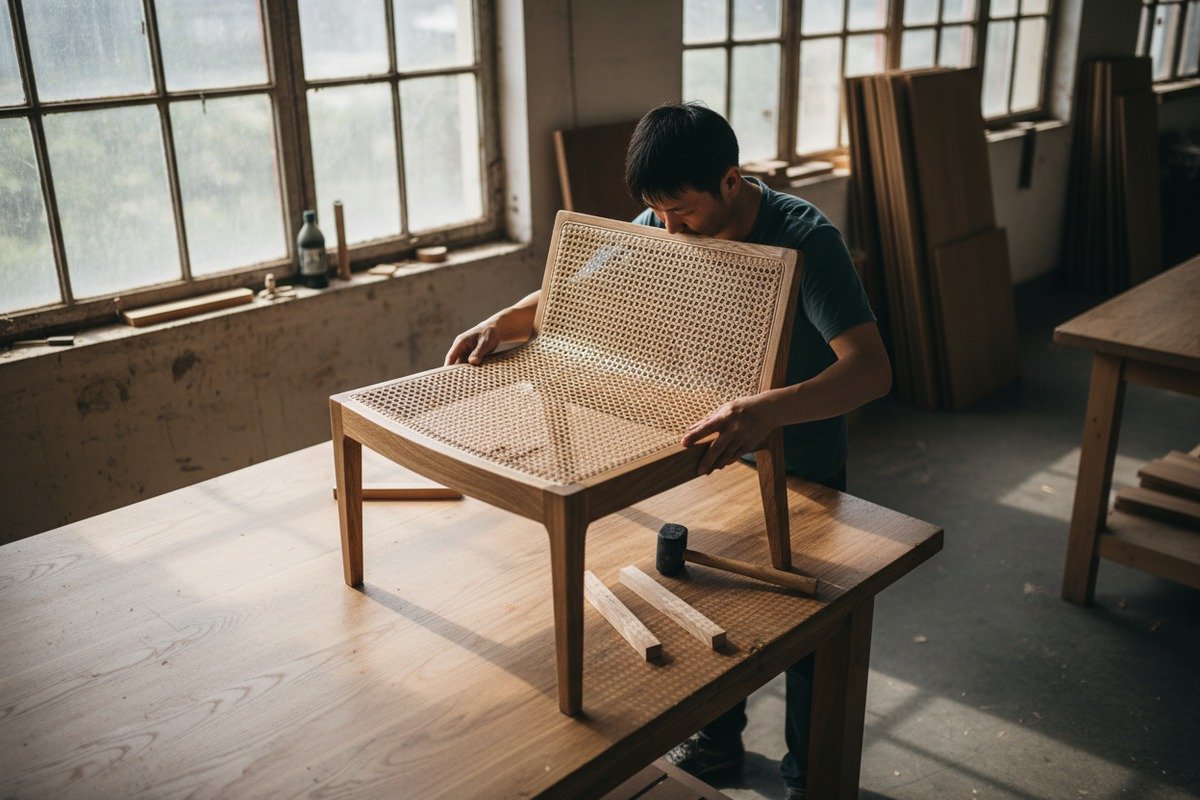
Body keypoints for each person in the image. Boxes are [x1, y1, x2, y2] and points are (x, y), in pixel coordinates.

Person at [445, 102, 891, 800]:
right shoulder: (662, 222)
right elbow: (574, 288)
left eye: (684, 211)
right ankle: (716, 744)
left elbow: (870, 370)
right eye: (658, 212)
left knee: (809, 623)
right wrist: (504, 320)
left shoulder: (807, 239)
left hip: (799, 460)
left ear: (732, 182)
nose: (671, 229)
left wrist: (771, 410)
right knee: (705, 599)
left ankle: (812, 775)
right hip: (703, 452)